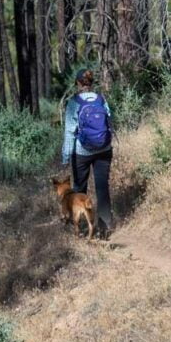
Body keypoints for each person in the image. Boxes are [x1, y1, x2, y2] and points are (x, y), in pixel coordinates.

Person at [62, 70, 113, 238]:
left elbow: (70, 132)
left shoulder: (73, 103)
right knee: (102, 188)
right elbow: (109, 121)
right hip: (104, 149)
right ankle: (105, 228)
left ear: (78, 83)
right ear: (92, 83)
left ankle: (81, 228)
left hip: (82, 152)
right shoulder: (101, 99)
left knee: (79, 190)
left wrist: (66, 156)